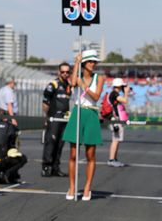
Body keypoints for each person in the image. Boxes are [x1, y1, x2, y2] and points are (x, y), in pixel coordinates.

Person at [62, 50, 105, 201]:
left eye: (94, 61)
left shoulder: (99, 78)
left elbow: (96, 96)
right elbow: (73, 83)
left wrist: (84, 86)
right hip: (78, 113)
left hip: (92, 114)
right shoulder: (78, 76)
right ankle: (72, 187)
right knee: (73, 154)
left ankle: (87, 187)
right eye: (90, 61)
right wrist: (76, 63)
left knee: (90, 154)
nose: (93, 64)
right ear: (84, 63)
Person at [41, 62, 71, 177]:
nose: (65, 74)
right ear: (59, 72)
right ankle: (46, 167)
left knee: (60, 143)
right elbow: (45, 102)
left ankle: (55, 167)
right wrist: (47, 117)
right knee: (51, 142)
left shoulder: (69, 85)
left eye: (67, 72)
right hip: (54, 117)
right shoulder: (53, 84)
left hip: (65, 118)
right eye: (62, 72)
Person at [107, 78, 129, 167]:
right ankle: (111, 159)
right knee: (115, 140)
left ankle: (114, 159)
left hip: (115, 119)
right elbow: (125, 101)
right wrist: (126, 92)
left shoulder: (113, 93)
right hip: (115, 120)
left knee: (116, 139)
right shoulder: (114, 94)